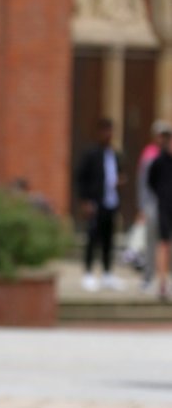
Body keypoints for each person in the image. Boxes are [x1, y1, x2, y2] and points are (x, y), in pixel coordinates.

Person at [76, 117, 125, 291]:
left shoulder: (115, 155)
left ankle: (107, 274)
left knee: (109, 240)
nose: (108, 134)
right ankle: (88, 273)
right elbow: (80, 178)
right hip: (95, 203)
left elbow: (119, 174)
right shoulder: (91, 154)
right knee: (92, 238)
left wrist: (120, 182)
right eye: (105, 131)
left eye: (110, 131)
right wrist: (85, 200)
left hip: (111, 202)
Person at [137, 120, 171, 291]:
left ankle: (164, 278)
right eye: (160, 135)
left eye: (166, 135)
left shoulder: (168, 155)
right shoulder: (149, 154)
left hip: (167, 205)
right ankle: (148, 277)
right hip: (151, 204)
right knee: (151, 241)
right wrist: (142, 206)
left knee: (165, 243)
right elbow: (143, 183)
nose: (162, 139)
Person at [148, 124, 172, 301]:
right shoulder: (159, 161)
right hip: (164, 207)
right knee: (163, 243)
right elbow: (151, 182)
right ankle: (162, 283)